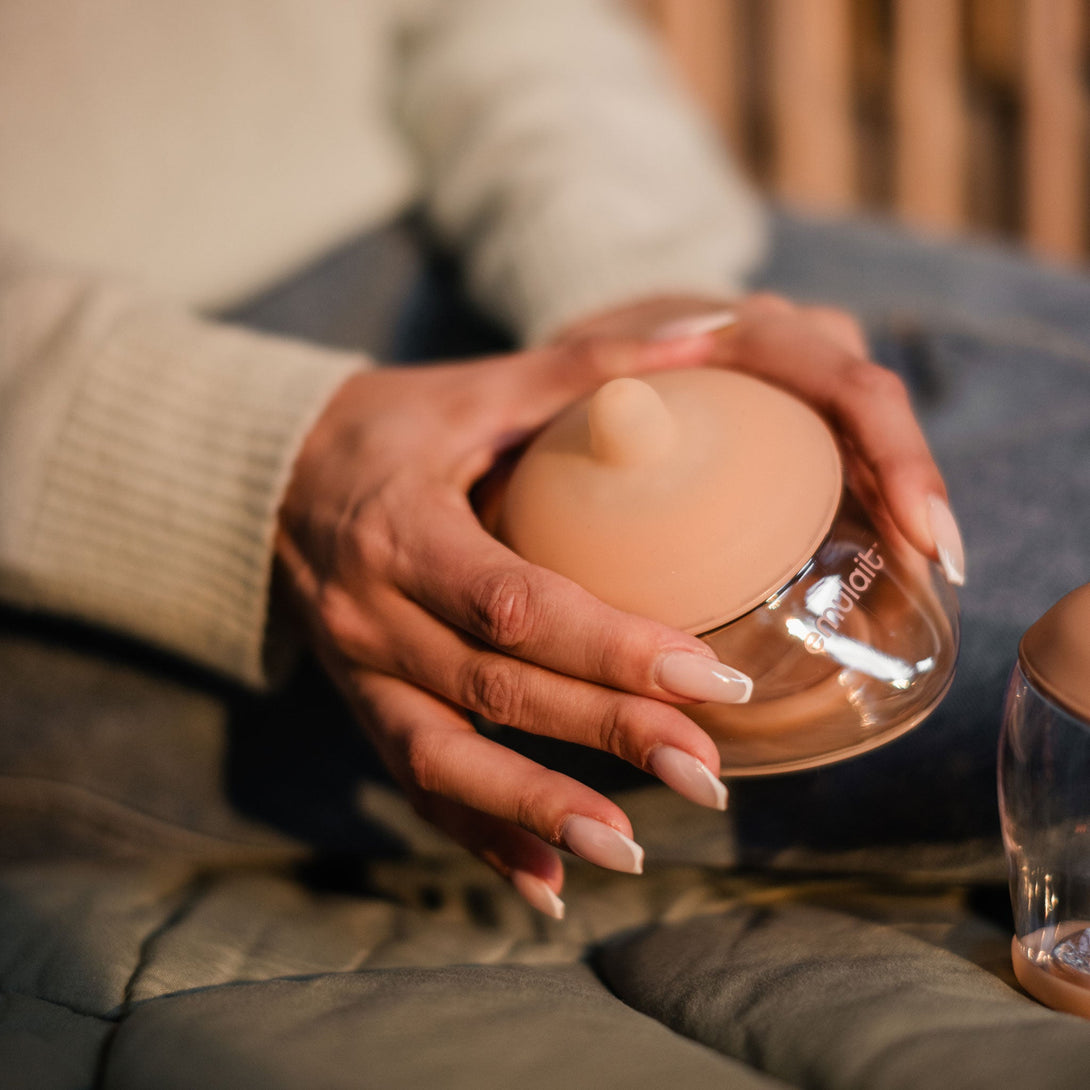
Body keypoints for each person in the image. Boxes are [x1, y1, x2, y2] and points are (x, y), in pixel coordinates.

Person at [0, 0, 963, 920]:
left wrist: (630, 285)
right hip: (89, 432)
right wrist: (262, 456)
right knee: (1039, 670)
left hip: (490, 206)